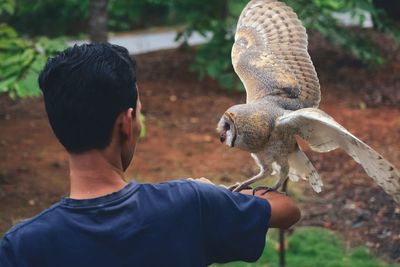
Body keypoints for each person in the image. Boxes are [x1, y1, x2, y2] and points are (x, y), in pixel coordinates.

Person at [0, 43, 300, 267]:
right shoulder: (190, 204)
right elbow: (287, 210)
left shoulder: (21, 247)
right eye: (140, 113)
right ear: (126, 123)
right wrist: (217, 196)